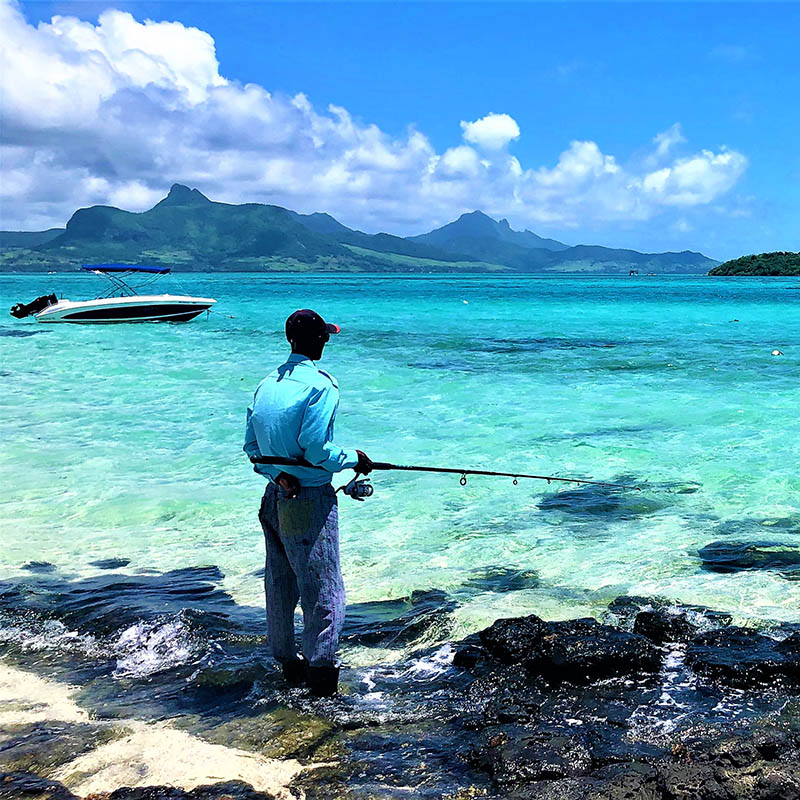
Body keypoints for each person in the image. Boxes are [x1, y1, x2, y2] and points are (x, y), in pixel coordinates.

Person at [243, 309, 372, 697]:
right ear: (321, 341)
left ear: (289, 341)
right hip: (309, 501)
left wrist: (276, 476)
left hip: (274, 497)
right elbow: (318, 451)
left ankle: (286, 666)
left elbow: (251, 448)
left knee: (280, 585)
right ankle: (321, 683)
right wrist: (354, 458)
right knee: (325, 592)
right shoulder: (322, 385)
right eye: (326, 337)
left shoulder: (266, 384)